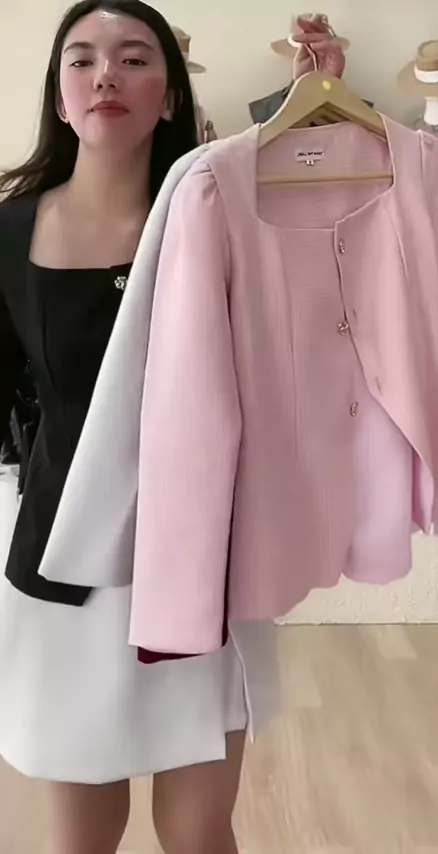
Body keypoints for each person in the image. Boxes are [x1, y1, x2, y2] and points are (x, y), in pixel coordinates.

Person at [0, 2, 276, 852]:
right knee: (81, 839)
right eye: (81, 60)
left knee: (197, 834)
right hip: (61, 568)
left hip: (200, 567)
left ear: (171, 95)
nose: (105, 77)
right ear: (59, 97)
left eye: (133, 58)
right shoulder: (9, 230)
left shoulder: (223, 222)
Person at [249, 13, 348, 124]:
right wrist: (300, 84)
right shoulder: (266, 110)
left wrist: (331, 85)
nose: (313, 54)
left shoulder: (358, 111)